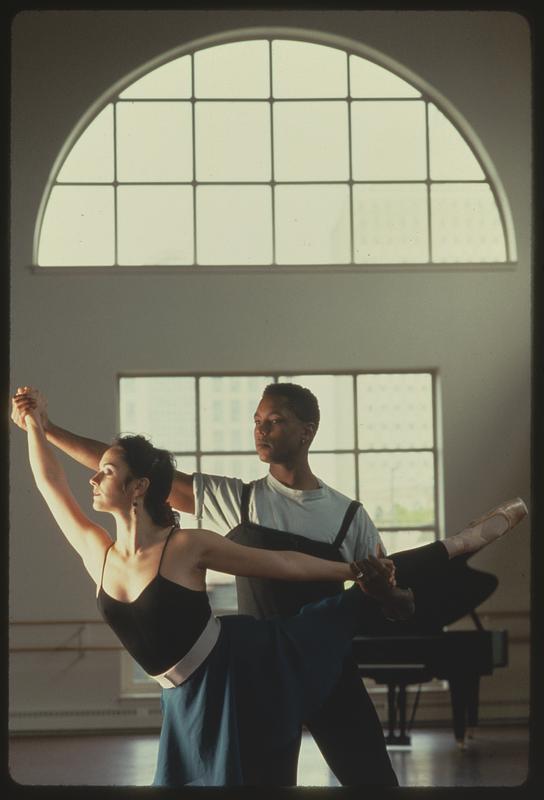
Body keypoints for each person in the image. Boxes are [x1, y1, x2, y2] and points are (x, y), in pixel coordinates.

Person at [11, 385, 528, 786]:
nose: (261, 430)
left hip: (320, 662)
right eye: (256, 420)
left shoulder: (350, 518)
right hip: (252, 670)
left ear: (308, 430)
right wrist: (44, 427)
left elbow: (393, 602)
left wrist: (381, 586)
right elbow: (130, 467)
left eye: (274, 420)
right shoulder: (231, 499)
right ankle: (456, 543)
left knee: (372, 779)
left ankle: (456, 544)